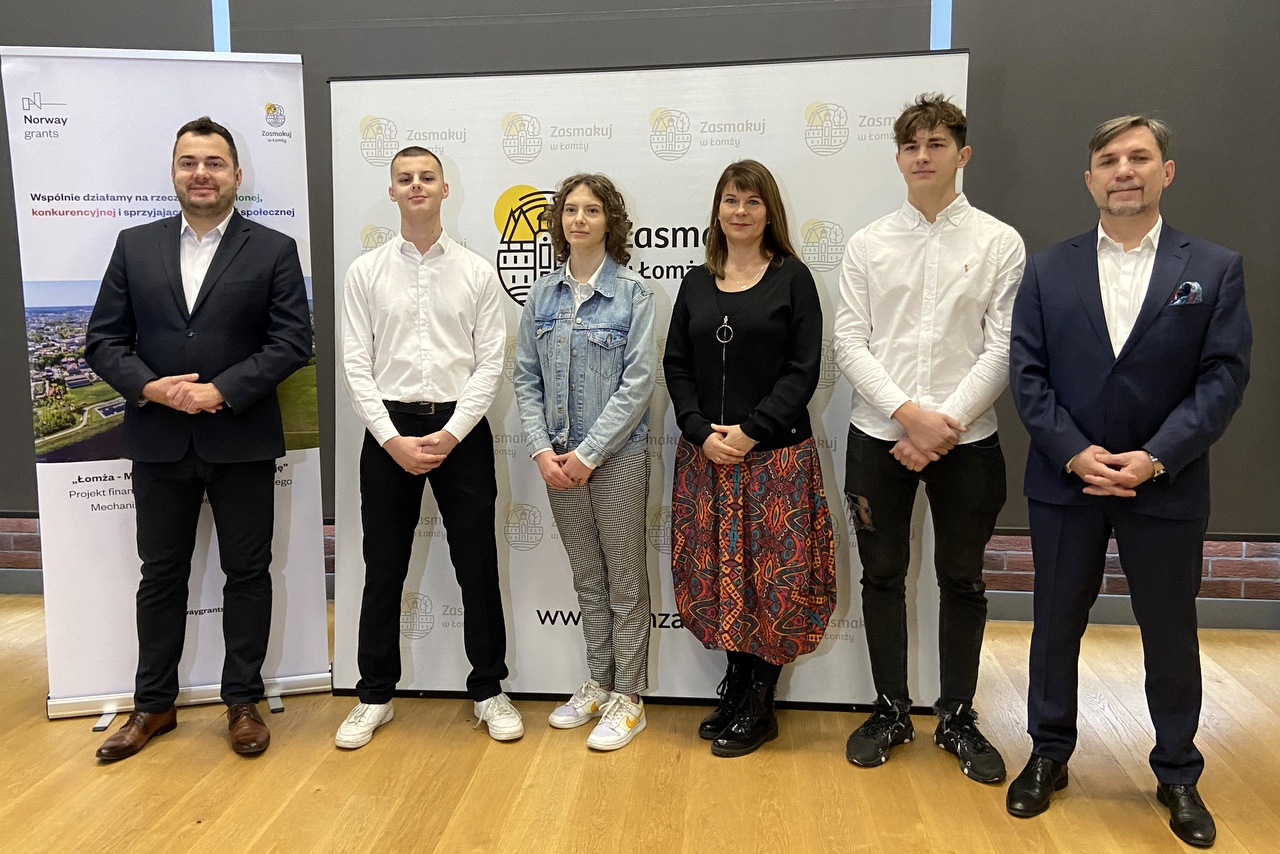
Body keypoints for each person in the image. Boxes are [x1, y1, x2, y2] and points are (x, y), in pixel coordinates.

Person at [1007, 116, 1250, 848]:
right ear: (1089, 179)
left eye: (1139, 157)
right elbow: (1028, 374)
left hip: (1165, 485)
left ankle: (1177, 770)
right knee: (1054, 626)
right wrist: (1076, 451)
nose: (1123, 170)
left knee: (1170, 634)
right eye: (1108, 160)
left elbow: (1222, 378)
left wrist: (1155, 455)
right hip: (1066, 481)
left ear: (1165, 172)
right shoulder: (1049, 268)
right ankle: (1049, 754)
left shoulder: (1213, 266)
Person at [86, 117, 313, 760]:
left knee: (248, 574)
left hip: (240, 437)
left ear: (237, 175)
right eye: (189, 162)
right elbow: (102, 341)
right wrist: (154, 387)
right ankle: (152, 706)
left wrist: (222, 390)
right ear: (174, 172)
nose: (201, 173)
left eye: (214, 163)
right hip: (158, 440)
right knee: (160, 577)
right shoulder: (134, 245)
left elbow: (293, 340)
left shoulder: (273, 249)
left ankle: (242, 701)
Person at [833, 94, 1025, 782]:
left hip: (967, 445)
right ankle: (890, 709)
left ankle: (958, 716)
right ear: (898, 157)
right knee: (882, 575)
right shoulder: (866, 243)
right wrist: (908, 415)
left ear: (962, 154)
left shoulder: (999, 242)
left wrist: (941, 427)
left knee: (962, 579)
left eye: (937, 144)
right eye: (912, 146)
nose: (923, 156)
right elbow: (850, 343)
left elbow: (1002, 348)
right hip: (877, 438)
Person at [335, 146, 519, 748]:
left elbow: (490, 362)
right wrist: (391, 439)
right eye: (404, 178)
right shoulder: (364, 272)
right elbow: (356, 365)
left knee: (477, 566)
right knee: (382, 569)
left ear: (445, 189)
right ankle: (374, 695)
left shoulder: (475, 270)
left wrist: (450, 433)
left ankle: (489, 690)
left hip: (459, 431)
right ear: (391, 192)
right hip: (386, 430)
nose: (416, 186)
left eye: (427, 177)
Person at [664, 159, 837, 758]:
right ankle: (737, 682)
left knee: (774, 585)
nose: (740, 211)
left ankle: (762, 701)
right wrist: (697, 430)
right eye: (731, 200)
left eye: (752, 202)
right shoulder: (695, 282)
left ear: (770, 212)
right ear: (717, 209)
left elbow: (802, 370)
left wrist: (751, 431)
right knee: (721, 576)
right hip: (707, 460)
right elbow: (677, 366)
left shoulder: (793, 279)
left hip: (776, 462)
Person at [513, 173, 656, 751]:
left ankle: (630, 697)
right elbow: (525, 377)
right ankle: (598, 681)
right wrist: (545, 451)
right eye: (569, 210)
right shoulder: (540, 297)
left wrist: (589, 454)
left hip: (616, 460)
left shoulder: (634, 295)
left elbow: (639, 382)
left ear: (609, 221)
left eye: (591, 210)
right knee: (587, 577)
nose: (578, 219)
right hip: (557, 463)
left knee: (625, 579)